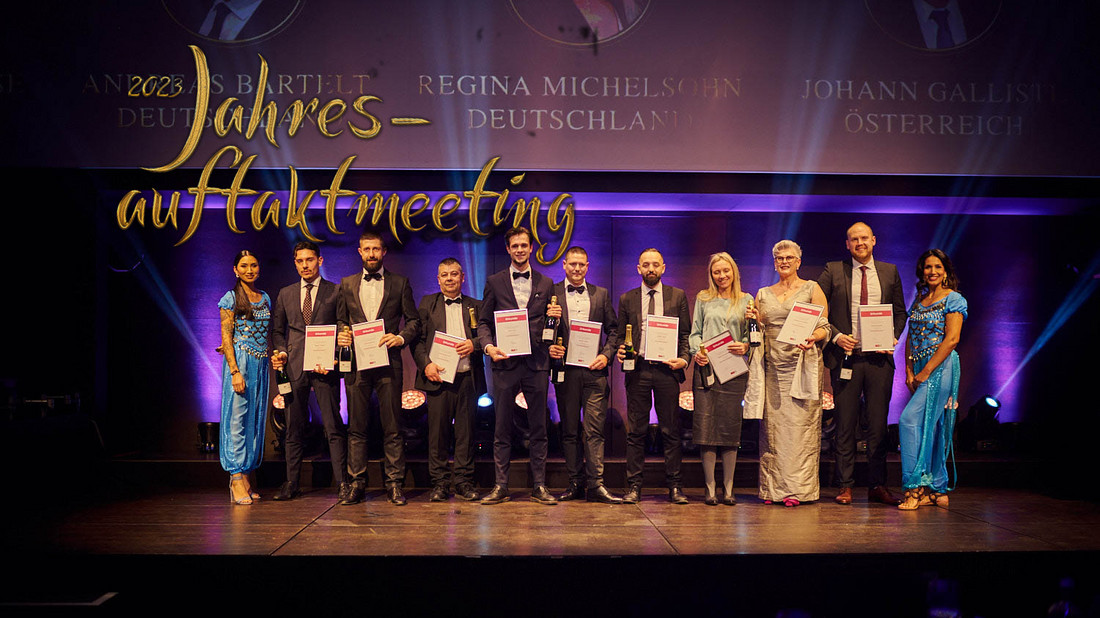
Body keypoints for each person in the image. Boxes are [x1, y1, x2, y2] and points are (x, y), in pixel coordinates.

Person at [817, 222, 907, 506]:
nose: (860, 243)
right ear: (847, 244)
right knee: (845, 424)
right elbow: (817, 309)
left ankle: (877, 485)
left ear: (874, 240)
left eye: (864, 238)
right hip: (846, 358)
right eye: (854, 239)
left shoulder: (890, 271)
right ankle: (845, 485)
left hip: (879, 360)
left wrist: (893, 336)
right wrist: (836, 336)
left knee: (878, 426)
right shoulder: (833, 270)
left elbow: (901, 312)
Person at [336, 230, 420, 506]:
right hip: (357, 364)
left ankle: (394, 484)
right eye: (366, 249)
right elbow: (341, 321)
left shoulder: (400, 283)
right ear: (359, 252)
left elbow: (414, 321)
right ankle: (357, 483)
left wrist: (400, 337)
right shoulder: (346, 284)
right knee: (356, 427)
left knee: (393, 426)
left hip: (389, 363)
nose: (371, 254)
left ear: (384, 252)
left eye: (376, 249)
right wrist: (343, 334)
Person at [477, 226, 558, 505]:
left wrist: (555, 318)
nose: (520, 250)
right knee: (501, 427)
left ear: (531, 248)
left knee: (539, 427)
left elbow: (551, 324)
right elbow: (484, 322)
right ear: (508, 249)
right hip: (505, 363)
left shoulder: (547, 283)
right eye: (515, 246)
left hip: (537, 363)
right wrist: (488, 347)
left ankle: (539, 485)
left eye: (524, 245)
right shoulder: (494, 282)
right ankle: (501, 485)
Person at [746, 240, 829, 507]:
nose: (784, 261)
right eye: (779, 258)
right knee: (774, 431)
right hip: (772, 369)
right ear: (774, 263)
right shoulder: (762, 293)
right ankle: (772, 490)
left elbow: (825, 326)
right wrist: (752, 321)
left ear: (798, 262)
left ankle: (799, 491)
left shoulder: (812, 288)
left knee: (800, 430)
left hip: (801, 366)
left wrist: (813, 337)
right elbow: (756, 330)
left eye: (789, 257)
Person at [269, 241, 348, 502]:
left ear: (320, 261)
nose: (305, 265)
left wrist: (335, 354)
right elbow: (278, 332)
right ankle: (292, 482)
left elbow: (342, 326)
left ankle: (342, 483)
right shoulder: (286, 293)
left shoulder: (335, 291)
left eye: (310, 260)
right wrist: (281, 351)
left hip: (325, 366)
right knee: (293, 426)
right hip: (294, 365)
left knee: (333, 425)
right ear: (295, 263)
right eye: (300, 261)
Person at [547, 247, 623, 504]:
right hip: (565, 372)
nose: (577, 268)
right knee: (569, 430)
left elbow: (614, 330)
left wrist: (606, 355)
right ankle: (575, 483)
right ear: (564, 265)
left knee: (594, 430)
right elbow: (540, 329)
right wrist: (550, 348)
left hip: (594, 372)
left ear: (588, 266)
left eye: (581, 264)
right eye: (573, 264)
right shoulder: (551, 293)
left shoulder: (601, 294)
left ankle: (596, 485)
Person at [615, 248, 691, 504]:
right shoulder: (627, 298)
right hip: (638, 369)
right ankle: (634, 487)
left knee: (670, 430)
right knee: (636, 431)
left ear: (663, 267)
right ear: (638, 268)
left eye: (655, 264)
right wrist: (620, 350)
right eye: (646, 264)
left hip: (667, 369)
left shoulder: (677, 295)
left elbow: (685, 335)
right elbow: (620, 336)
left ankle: (675, 487)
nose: (651, 269)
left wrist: (684, 359)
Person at [898, 249, 967, 510]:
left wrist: (926, 372)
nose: (933, 271)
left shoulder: (954, 299)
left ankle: (913, 487)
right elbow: (910, 338)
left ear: (946, 271)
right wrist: (908, 371)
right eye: (928, 267)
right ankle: (938, 489)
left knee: (908, 420)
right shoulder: (920, 301)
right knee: (933, 426)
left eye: (938, 267)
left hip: (941, 368)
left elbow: (952, 339)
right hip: (919, 369)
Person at [412, 258, 484, 503]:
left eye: (454, 274)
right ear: (438, 279)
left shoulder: (476, 305)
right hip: (438, 379)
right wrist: (426, 365)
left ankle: (464, 482)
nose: (450, 278)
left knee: (466, 434)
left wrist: (474, 344)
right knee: (438, 435)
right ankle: (440, 483)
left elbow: (489, 335)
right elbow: (417, 341)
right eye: (445, 275)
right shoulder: (427, 304)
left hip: (467, 378)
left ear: (463, 277)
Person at [688, 252, 751, 506]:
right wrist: (697, 352)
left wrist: (745, 345)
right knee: (706, 429)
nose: (722, 276)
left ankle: (729, 489)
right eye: (717, 272)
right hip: (707, 370)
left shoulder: (746, 300)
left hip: (733, 371)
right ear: (711, 275)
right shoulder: (703, 299)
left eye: (726, 271)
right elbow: (695, 333)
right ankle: (710, 488)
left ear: (734, 272)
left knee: (729, 429)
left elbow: (750, 334)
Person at [217, 250, 271, 505]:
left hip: (260, 363)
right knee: (237, 419)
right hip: (241, 363)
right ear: (235, 270)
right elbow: (226, 337)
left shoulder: (265, 298)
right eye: (244, 266)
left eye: (254, 265)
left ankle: (247, 474)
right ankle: (236, 476)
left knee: (255, 419)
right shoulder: (230, 298)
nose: (250, 270)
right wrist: (235, 371)